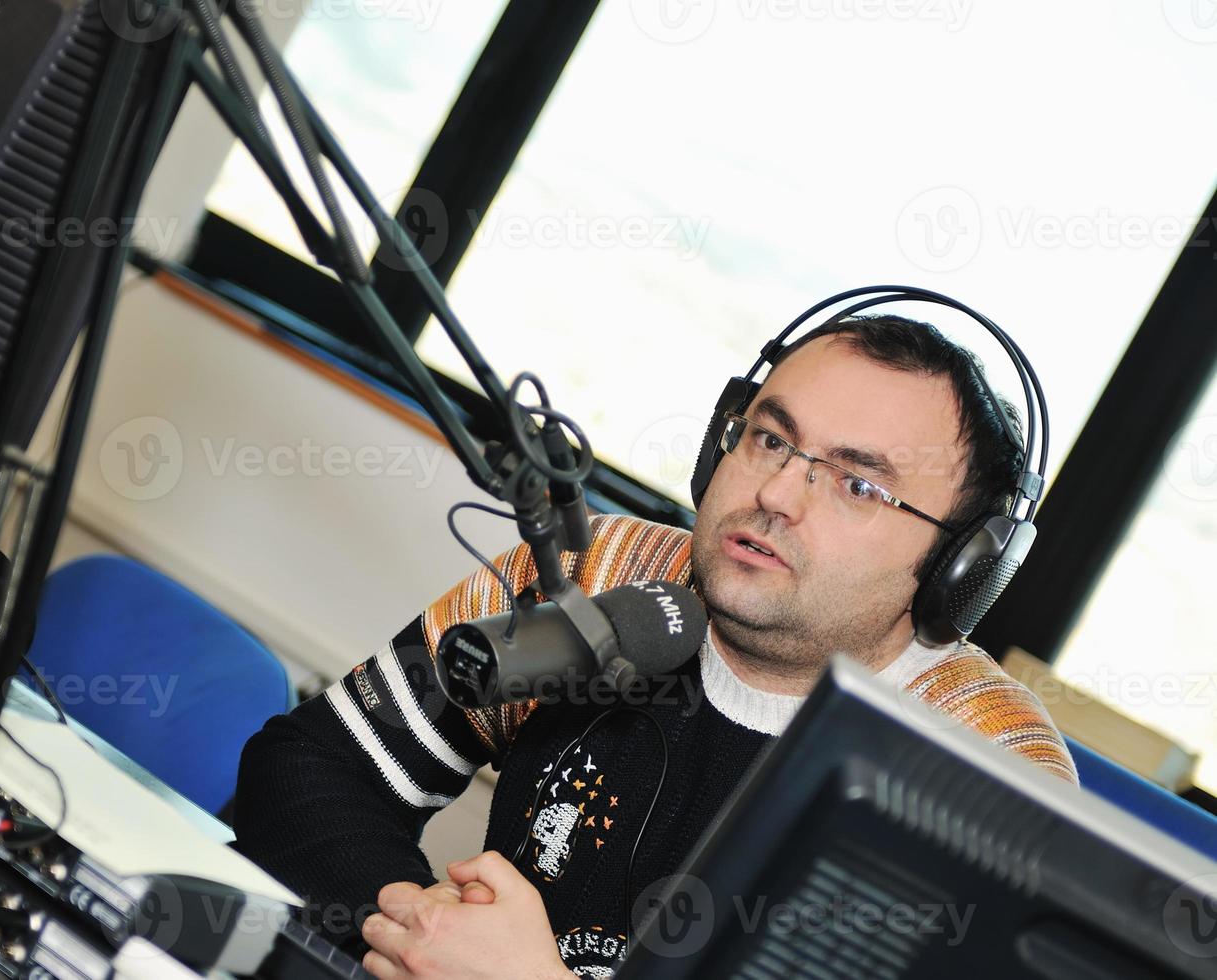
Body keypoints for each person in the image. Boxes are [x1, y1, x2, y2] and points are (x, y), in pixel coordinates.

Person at [226, 313, 1077, 979]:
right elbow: (311, 766)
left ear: (960, 567)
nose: (777, 492)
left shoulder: (989, 775)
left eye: (858, 484)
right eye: (770, 439)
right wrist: (421, 936)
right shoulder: (597, 574)